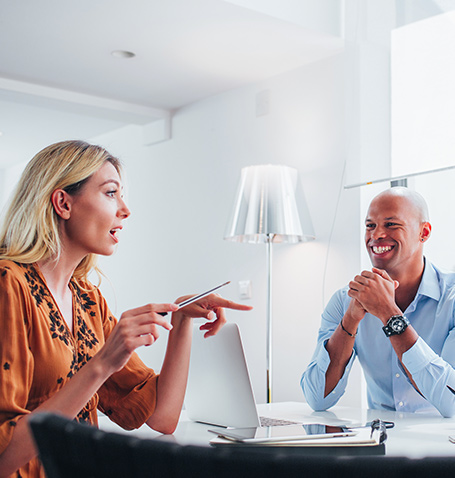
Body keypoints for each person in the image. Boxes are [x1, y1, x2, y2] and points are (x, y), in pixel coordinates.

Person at [0, 140, 252, 478]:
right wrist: (102, 364)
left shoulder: (88, 301)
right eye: (110, 193)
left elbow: (162, 417)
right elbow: (3, 458)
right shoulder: (8, 285)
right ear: (63, 202)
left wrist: (181, 320)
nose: (125, 209)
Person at [301, 187, 455, 417]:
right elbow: (317, 398)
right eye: (370, 225)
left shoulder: (450, 299)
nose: (376, 235)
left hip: (443, 443)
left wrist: (390, 316)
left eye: (391, 224)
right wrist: (350, 320)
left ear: (424, 232)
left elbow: (451, 401)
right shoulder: (345, 300)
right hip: (379, 444)